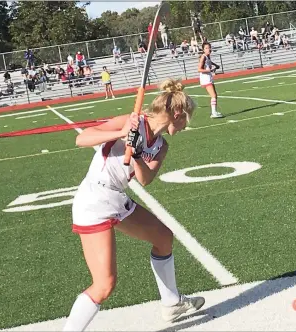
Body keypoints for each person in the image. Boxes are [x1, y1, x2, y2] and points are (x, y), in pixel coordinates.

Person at [63, 79, 204, 332]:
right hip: (95, 198)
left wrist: (137, 155)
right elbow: (82, 138)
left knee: (163, 237)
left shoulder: (161, 146)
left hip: (117, 198)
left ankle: (171, 303)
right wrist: (121, 134)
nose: (186, 126)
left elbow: (145, 179)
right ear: (176, 114)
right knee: (104, 285)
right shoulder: (132, 121)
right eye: (186, 119)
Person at [198, 42, 223, 119]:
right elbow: (199, 69)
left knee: (215, 95)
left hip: (209, 77)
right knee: (213, 95)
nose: (209, 49)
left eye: (209, 47)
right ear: (203, 49)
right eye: (206, 48)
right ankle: (213, 113)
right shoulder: (203, 57)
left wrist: (215, 65)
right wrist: (209, 70)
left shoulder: (207, 56)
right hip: (205, 78)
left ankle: (214, 111)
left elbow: (209, 62)